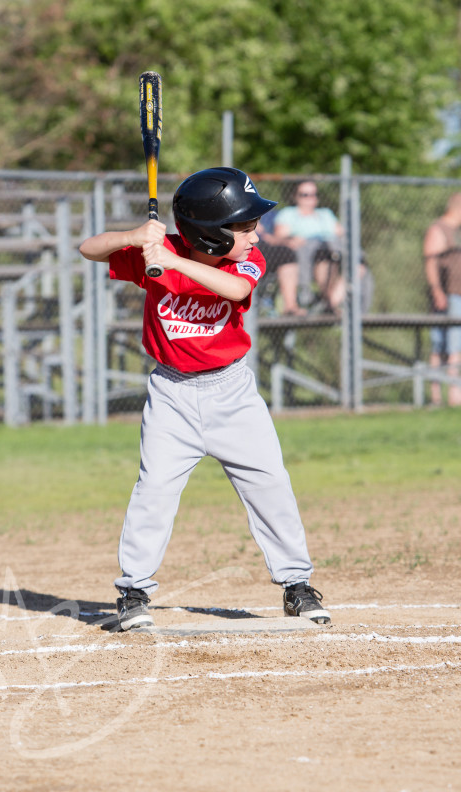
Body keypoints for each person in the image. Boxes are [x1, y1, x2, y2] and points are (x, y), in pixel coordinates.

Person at [79, 167, 331, 631]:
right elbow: (88, 249)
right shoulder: (159, 251)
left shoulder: (242, 262)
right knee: (153, 490)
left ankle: (296, 585)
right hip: (171, 393)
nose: (257, 235)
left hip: (231, 392)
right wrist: (133, 237)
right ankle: (133, 591)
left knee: (269, 481)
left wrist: (171, 264)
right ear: (210, 236)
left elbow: (235, 289)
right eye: (244, 227)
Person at [423, 192, 461, 407]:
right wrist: (437, 291)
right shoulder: (438, 229)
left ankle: (455, 391)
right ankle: (442, 395)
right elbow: (430, 262)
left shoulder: (458, 232)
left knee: (458, 348)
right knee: (444, 347)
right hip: (449, 296)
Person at [273, 180, 345, 311]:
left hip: (329, 249)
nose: (310, 198)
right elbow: (280, 235)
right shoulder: (289, 213)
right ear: (296, 196)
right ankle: (321, 301)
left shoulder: (325, 214)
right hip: (307, 251)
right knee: (320, 255)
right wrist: (293, 239)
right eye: (305, 195)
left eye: (313, 194)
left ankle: (331, 303)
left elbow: (340, 232)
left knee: (356, 262)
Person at [255, 210, 304, 316]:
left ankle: (290, 307)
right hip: (244, 249)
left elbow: (272, 237)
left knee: (287, 253)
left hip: (264, 250)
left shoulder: (268, 211)